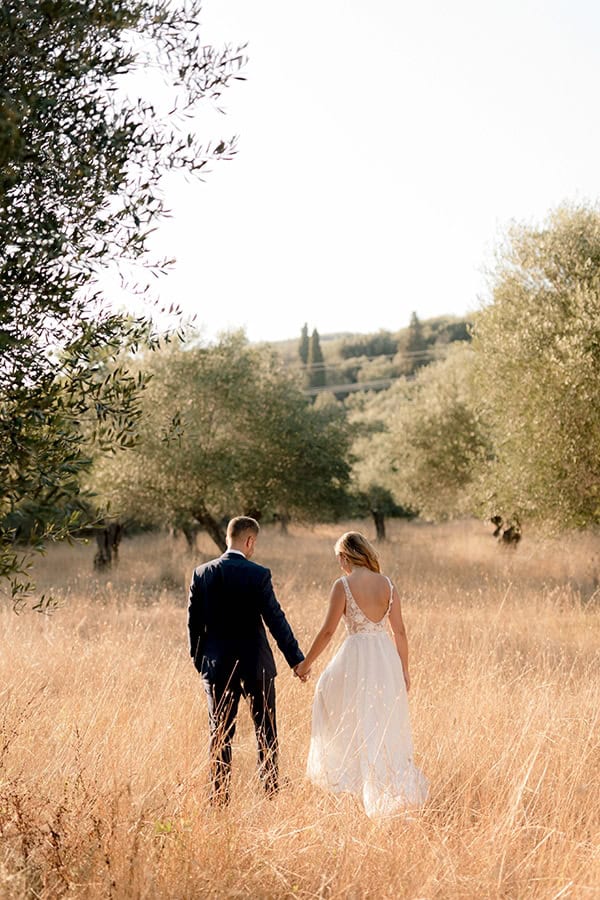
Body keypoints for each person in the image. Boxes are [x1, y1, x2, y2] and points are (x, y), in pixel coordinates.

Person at [295, 531, 428, 818]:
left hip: (355, 657)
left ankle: (351, 779)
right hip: (385, 659)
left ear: (345, 556)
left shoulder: (342, 585)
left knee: (334, 701)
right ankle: (383, 784)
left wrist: (306, 664)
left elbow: (328, 631)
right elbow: (400, 632)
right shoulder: (387, 585)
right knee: (381, 721)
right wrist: (404, 669)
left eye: (338, 558)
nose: (339, 564)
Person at [187, 515, 306, 805]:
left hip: (216, 668)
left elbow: (194, 625)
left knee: (220, 732)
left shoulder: (202, 573)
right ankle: (271, 791)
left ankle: (219, 797)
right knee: (266, 729)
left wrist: (202, 662)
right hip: (257, 665)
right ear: (249, 540)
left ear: (229, 537)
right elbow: (276, 620)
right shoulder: (258, 574)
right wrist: (296, 660)